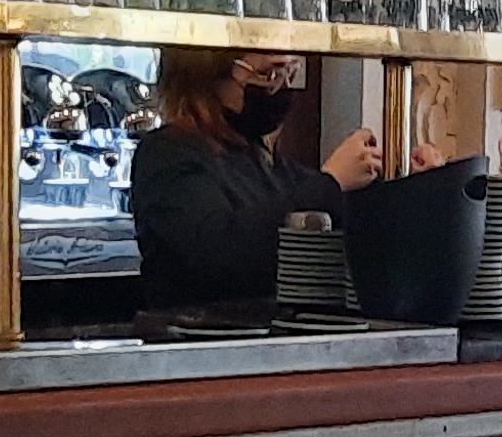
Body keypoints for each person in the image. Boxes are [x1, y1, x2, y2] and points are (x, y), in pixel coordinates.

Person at [129, 48, 380, 310]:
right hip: (199, 331)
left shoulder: (269, 164)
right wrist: (330, 184)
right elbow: (215, 252)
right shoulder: (168, 153)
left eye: (289, 73)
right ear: (207, 77)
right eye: (268, 74)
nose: (280, 88)